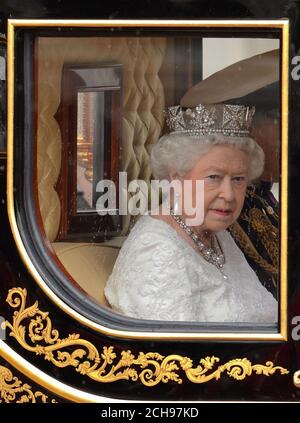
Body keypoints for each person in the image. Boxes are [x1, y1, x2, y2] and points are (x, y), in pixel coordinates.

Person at [104, 102, 278, 323]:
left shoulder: (217, 233)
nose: (229, 194)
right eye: (214, 177)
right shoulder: (157, 251)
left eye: (238, 179)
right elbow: (173, 353)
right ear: (177, 178)